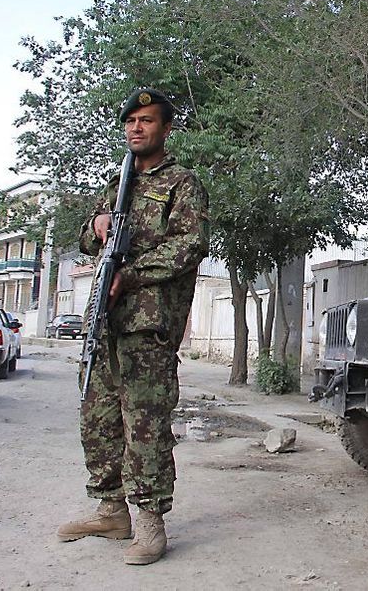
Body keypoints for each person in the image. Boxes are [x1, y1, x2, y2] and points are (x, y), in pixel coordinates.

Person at [56, 88, 210, 565]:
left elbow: (190, 245)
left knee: (144, 423)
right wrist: (97, 224)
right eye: (130, 121)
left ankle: (149, 524)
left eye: (146, 121)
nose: (136, 128)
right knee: (98, 420)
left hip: (149, 326)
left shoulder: (182, 183)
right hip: (105, 322)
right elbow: (85, 239)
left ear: (165, 129)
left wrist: (132, 274)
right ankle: (110, 511)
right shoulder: (117, 183)